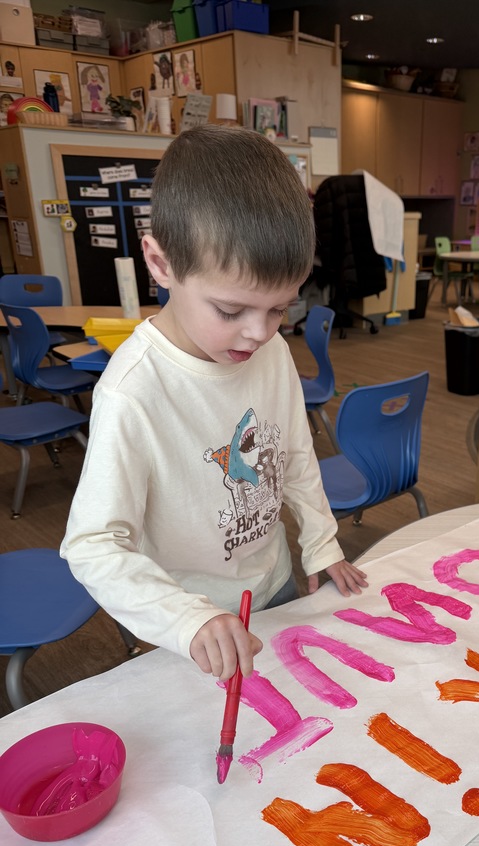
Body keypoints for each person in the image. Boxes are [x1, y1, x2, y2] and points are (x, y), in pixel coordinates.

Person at [61, 125, 367, 684]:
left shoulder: (270, 351)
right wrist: (188, 619)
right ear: (160, 263)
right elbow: (94, 545)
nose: (257, 334)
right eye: (230, 311)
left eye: (279, 309)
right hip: (187, 615)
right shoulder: (132, 393)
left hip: (271, 578)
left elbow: (293, 453)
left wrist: (320, 543)